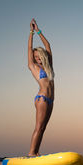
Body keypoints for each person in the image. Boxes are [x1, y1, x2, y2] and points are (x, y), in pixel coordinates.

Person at [27, 18, 55, 156]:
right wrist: (31, 33)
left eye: (39, 56)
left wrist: (38, 30)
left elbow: (48, 45)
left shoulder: (48, 65)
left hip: (51, 100)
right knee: (38, 127)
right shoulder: (34, 67)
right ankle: (31, 153)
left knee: (43, 128)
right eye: (35, 56)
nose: (37, 58)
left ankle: (36, 152)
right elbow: (28, 49)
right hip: (42, 99)